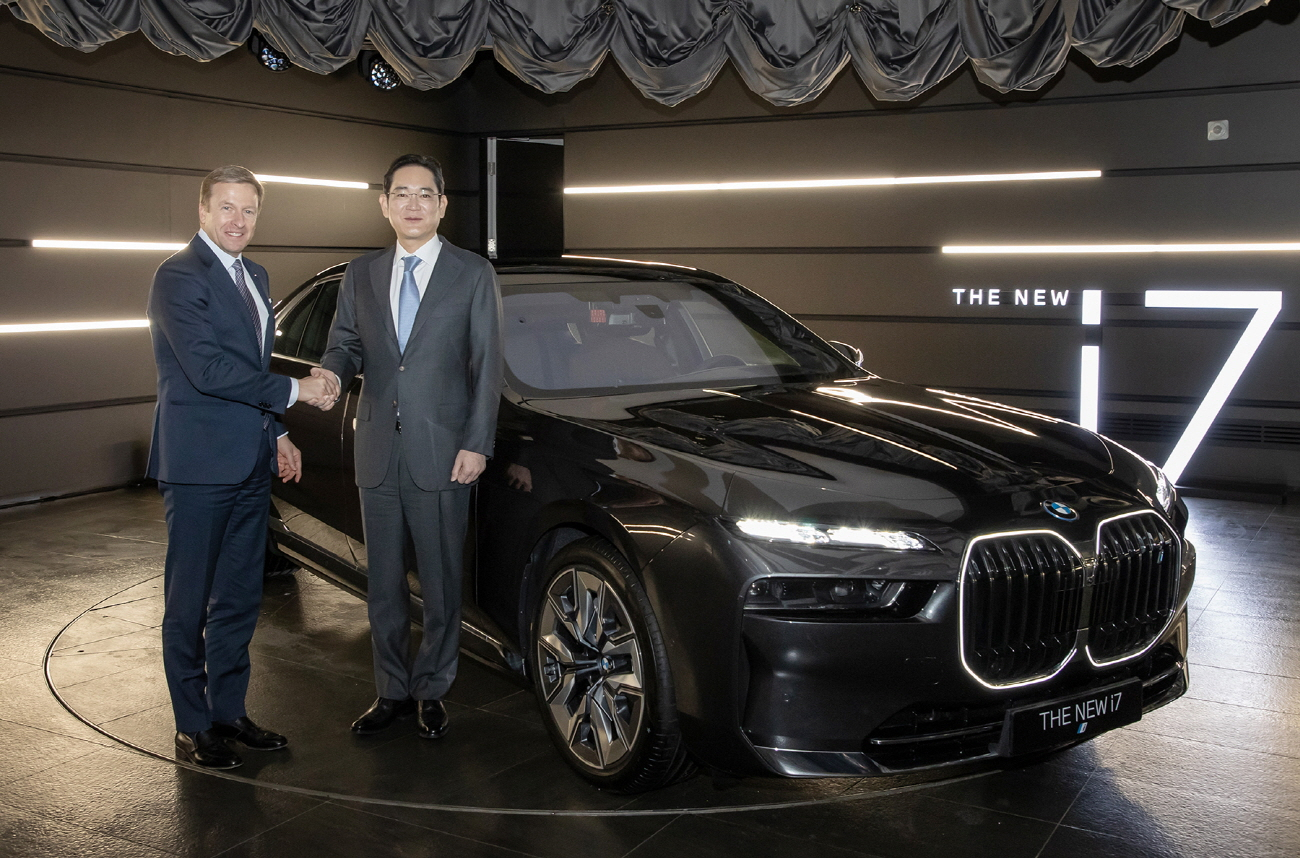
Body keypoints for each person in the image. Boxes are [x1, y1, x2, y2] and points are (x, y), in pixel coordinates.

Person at [147, 166, 338, 769]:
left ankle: (229, 712)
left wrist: (276, 432)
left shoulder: (253, 274)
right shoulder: (178, 276)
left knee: (236, 598)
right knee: (189, 599)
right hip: (199, 466)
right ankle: (191, 722)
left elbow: (245, 366)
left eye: (248, 211)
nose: (238, 220)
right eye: (226, 208)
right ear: (203, 212)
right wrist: (295, 394)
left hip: (250, 458)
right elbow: (208, 371)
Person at [317, 154, 502, 739]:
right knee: (383, 585)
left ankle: (432, 689)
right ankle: (391, 689)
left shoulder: (472, 274)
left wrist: (478, 443)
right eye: (402, 194)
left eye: (425, 195)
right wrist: (329, 376)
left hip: (445, 451)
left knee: (443, 585)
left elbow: (487, 364)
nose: (413, 205)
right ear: (384, 205)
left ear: (443, 205)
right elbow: (345, 345)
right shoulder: (361, 274)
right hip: (377, 448)